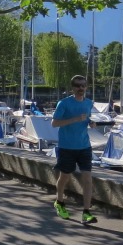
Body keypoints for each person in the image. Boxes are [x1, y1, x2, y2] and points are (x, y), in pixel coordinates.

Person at [51, 75, 97, 225]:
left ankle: (86, 212)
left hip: (84, 146)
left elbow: (86, 119)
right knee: (65, 177)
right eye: (77, 85)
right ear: (72, 88)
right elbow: (54, 123)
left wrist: (91, 123)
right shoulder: (64, 103)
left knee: (88, 179)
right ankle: (59, 202)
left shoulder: (88, 103)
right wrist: (74, 119)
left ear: (86, 87)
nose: (80, 88)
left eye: (83, 85)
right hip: (67, 147)